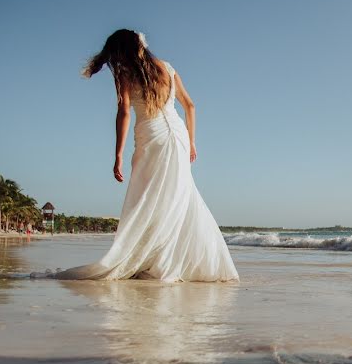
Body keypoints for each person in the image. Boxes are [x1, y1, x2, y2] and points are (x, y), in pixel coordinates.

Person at [55, 29, 238, 282]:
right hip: (178, 137)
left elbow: (124, 113)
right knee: (178, 198)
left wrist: (118, 155)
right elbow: (190, 106)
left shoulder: (125, 74)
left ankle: (150, 261)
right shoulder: (168, 68)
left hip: (153, 137)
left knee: (146, 198)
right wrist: (192, 142)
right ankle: (172, 261)